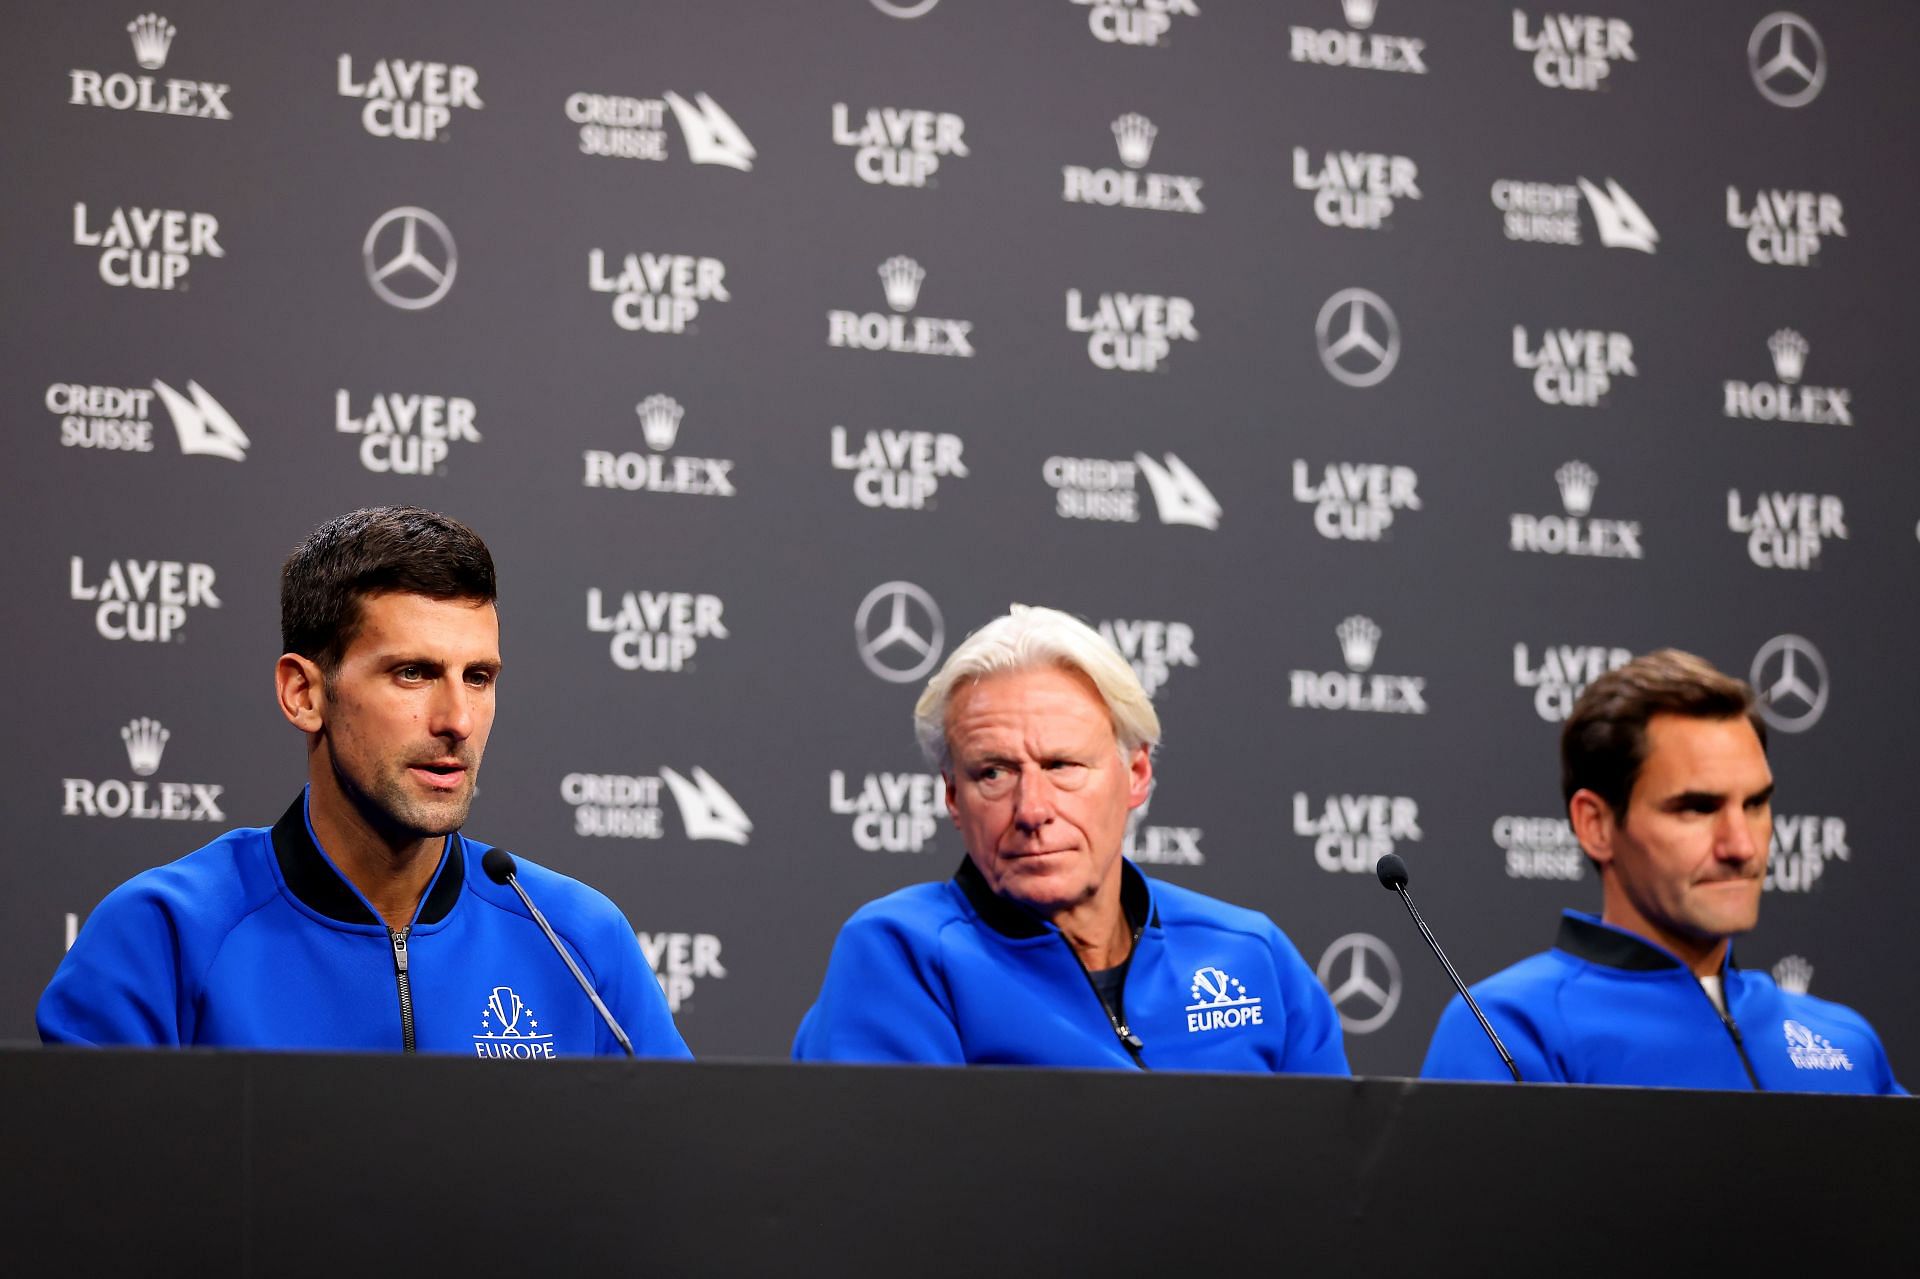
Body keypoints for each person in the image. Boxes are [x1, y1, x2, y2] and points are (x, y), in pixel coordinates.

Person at [39, 506, 689, 1059]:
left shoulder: (580, 940)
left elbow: (682, 1182)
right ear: (303, 693)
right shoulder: (160, 937)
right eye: (412, 672)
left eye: (479, 677)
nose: (457, 720)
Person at [794, 605, 1347, 1072]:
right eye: (993, 773)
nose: (1032, 809)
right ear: (952, 799)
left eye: (1062, 765)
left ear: (1135, 775)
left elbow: (1341, 1182)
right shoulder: (902, 954)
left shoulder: (1252, 955)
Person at [1421, 649, 1901, 1092]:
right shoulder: (1507, 1031)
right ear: (1596, 826)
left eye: (1756, 804)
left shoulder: (1847, 1043)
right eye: (1696, 808)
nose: (1741, 845)